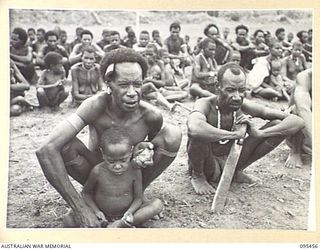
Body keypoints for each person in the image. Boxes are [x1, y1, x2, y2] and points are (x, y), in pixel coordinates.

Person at [36, 48, 182, 227]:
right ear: (108, 84)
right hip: (96, 173)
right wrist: (80, 209)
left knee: (172, 134)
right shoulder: (94, 106)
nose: (132, 92)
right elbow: (46, 149)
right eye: (123, 85)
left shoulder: (151, 115)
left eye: (137, 84)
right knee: (65, 145)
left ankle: (136, 196)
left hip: (130, 175)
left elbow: (151, 150)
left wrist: (145, 151)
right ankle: (92, 202)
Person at [187, 62, 304, 195]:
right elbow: (194, 128)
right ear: (218, 87)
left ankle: (236, 172)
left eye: (242, 90)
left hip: (232, 161)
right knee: (199, 135)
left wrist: (260, 133)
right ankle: (198, 176)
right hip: (208, 164)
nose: (237, 96)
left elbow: (297, 121)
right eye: (230, 90)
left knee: (276, 123)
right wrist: (235, 135)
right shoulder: (205, 104)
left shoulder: (243, 105)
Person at [63, 127, 163, 228]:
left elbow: (138, 198)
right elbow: (86, 193)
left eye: (123, 160)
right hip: (102, 215)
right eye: (111, 161)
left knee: (157, 205)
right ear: (103, 154)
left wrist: (129, 212)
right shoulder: (97, 171)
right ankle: (110, 225)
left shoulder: (135, 171)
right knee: (68, 220)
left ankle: (120, 224)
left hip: (126, 215)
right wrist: (97, 212)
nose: (118, 166)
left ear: (131, 152)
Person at [285, 68, 312, 168]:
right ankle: (296, 151)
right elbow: (303, 109)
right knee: (296, 110)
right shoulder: (305, 76)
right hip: (301, 127)